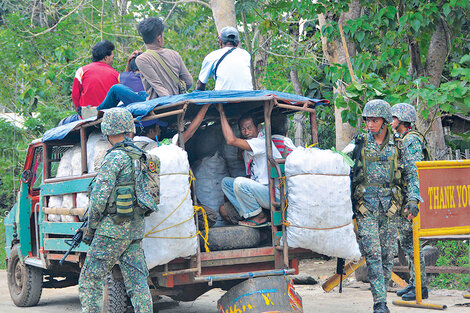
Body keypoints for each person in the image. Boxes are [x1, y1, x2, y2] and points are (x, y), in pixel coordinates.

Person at [78, 108, 157, 313]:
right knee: (138, 282)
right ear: (128, 129)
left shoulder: (115, 158)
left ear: (107, 130)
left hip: (112, 230)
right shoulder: (141, 156)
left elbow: (98, 199)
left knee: (90, 277)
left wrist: (91, 228)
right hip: (135, 230)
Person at [350, 100, 421, 313]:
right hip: (366, 209)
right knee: (372, 254)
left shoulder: (399, 146)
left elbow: (411, 173)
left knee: (387, 256)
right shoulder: (359, 143)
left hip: (390, 209)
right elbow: (344, 167)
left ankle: (381, 299)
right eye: (367, 120)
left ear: (385, 122)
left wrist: (413, 200)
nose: (370, 124)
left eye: (374, 120)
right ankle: (379, 303)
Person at [217, 104, 281, 227]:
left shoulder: (261, 143)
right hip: (261, 192)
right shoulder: (248, 150)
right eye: (243, 129)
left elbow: (231, 140)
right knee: (226, 182)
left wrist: (221, 112)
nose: (246, 132)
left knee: (239, 183)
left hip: (273, 194)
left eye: (249, 128)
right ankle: (249, 214)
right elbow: (239, 156)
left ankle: (259, 216)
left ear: (258, 127)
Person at [391, 102, 428, 301]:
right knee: (408, 245)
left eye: (394, 118)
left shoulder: (411, 140)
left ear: (403, 121)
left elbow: (410, 170)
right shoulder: (403, 139)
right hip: (406, 198)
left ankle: (420, 287)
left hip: (410, 199)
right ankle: (416, 284)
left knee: (413, 244)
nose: (391, 122)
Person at [136, 17, 193, 99]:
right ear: (159, 38)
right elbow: (189, 82)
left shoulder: (142, 59)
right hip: (178, 102)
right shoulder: (174, 54)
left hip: (160, 107)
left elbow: (158, 87)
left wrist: (171, 102)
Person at [196, 26, 253, 91]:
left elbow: (201, 84)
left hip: (224, 98)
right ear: (237, 43)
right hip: (247, 96)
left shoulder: (212, 56)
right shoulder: (245, 54)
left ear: (220, 41)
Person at [72, 40, 119, 113]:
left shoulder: (81, 71)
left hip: (86, 115)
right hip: (108, 115)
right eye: (112, 57)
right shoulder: (116, 74)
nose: (112, 60)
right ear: (106, 58)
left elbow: (75, 96)